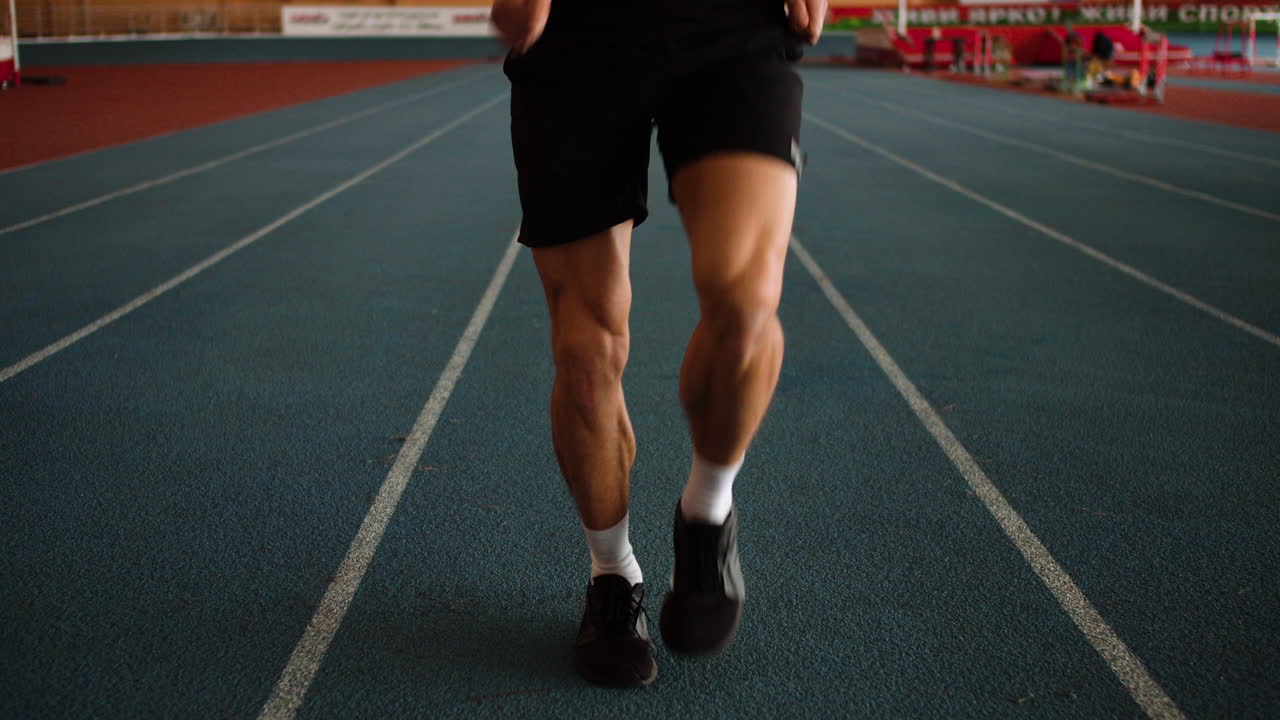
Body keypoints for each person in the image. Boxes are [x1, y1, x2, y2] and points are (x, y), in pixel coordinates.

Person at [490, 0, 826, 688]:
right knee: (586, 359)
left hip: (731, 28)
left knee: (746, 305)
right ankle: (612, 576)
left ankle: (707, 513)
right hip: (575, 38)